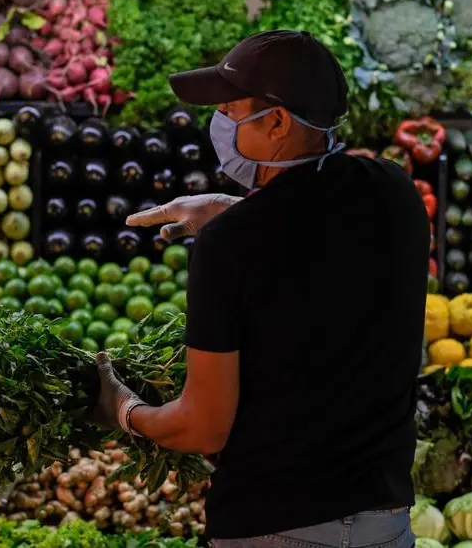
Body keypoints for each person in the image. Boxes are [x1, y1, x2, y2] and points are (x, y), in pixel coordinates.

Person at [94, 30, 429, 548]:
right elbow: (319, 233)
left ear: (276, 122)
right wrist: (234, 209)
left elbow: (202, 428)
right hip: (386, 523)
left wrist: (122, 409)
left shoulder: (230, 247)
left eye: (229, 108)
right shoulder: (395, 192)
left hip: (274, 526)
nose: (219, 122)